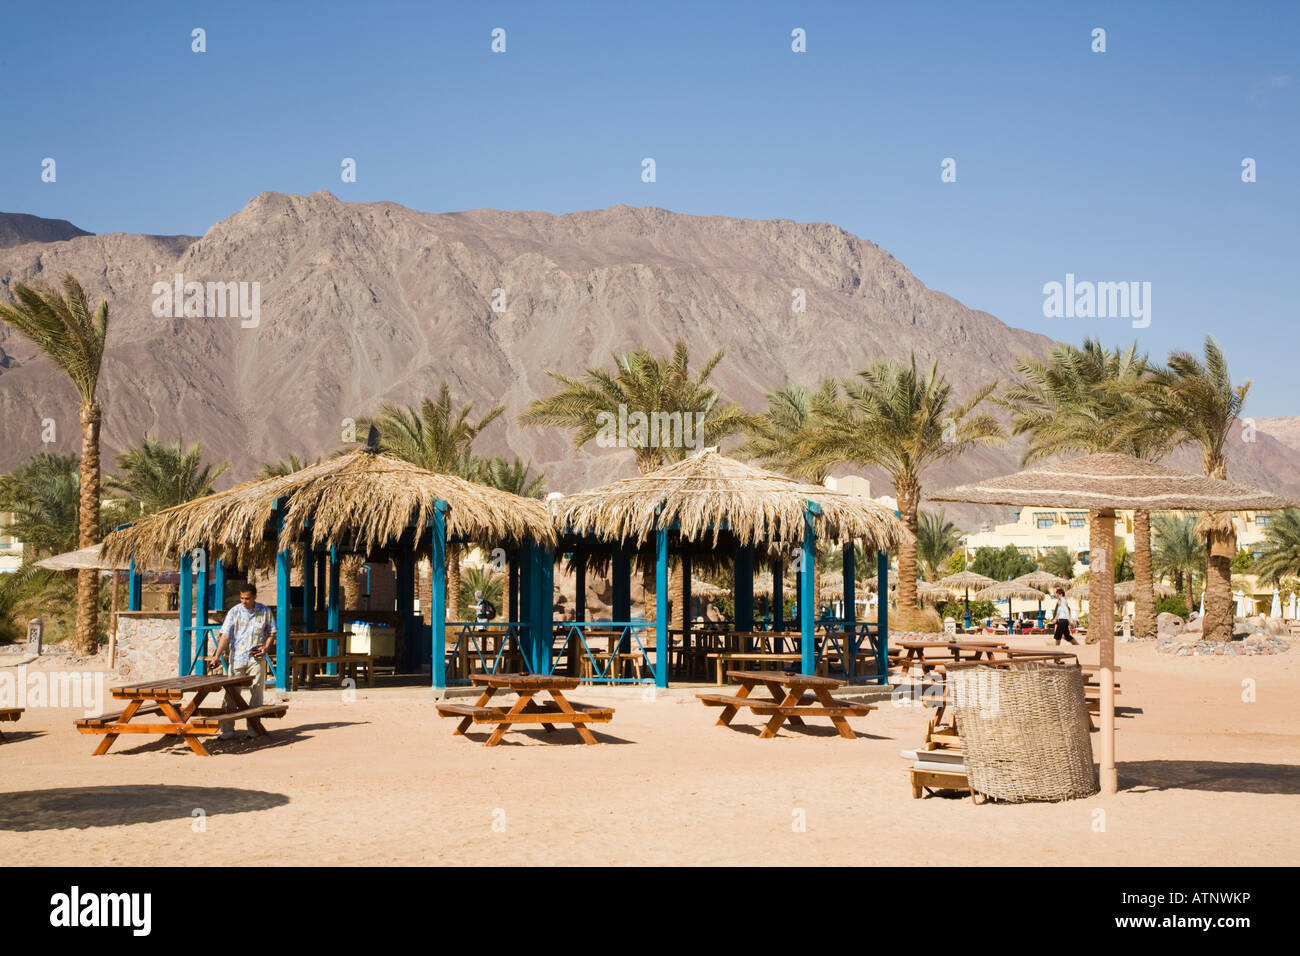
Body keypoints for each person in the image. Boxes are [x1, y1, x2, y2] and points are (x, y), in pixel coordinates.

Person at [211, 583, 276, 739]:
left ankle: (253, 728)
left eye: (247, 598)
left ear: (254, 597)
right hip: (237, 658)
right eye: (241, 598)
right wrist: (217, 655)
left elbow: (272, 632)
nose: (244, 601)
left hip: (256, 658)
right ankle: (227, 730)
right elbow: (225, 635)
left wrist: (265, 648)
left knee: (257, 692)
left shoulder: (265, 611)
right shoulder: (234, 612)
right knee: (232, 692)